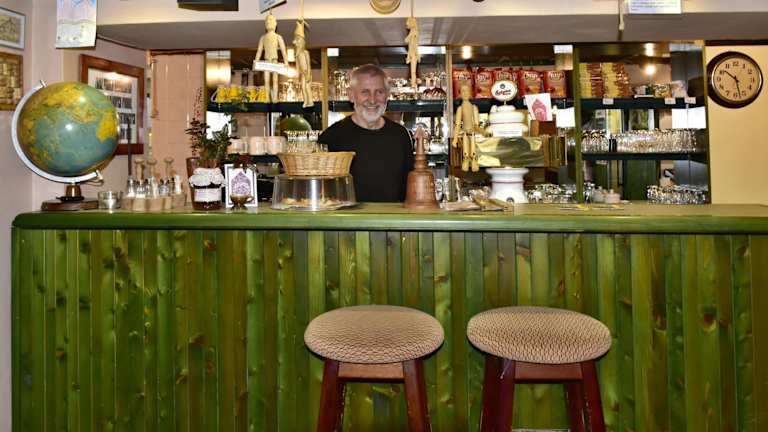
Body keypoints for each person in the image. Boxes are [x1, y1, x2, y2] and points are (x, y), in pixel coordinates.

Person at [319, 64, 414, 202]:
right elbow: (322, 195)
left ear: (387, 95)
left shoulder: (400, 136)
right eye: (365, 92)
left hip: (393, 216)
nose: (372, 100)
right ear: (351, 95)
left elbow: (409, 190)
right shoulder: (331, 138)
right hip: (346, 216)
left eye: (379, 92)